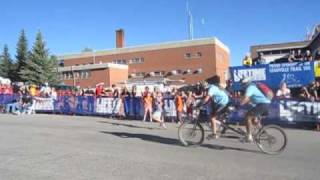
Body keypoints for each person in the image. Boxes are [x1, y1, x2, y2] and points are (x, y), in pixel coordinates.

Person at [196, 75, 230, 139]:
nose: (204, 86)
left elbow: (206, 98)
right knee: (212, 117)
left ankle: (214, 134)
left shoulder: (212, 88)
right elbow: (207, 98)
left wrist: (199, 104)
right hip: (221, 103)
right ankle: (222, 126)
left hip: (223, 104)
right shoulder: (215, 87)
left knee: (212, 118)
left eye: (205, 84)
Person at [240, 77, 271, 142]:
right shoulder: (252, 87)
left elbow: (246, 98)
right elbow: (249, 99)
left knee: (247, 117)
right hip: (264, 104)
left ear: (247, 83)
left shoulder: (250, 88)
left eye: (243, 84)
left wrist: (240, 104)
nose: (242, 85)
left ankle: (249, 136)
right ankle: (263, 132)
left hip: (263, 104)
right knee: (254, 120)